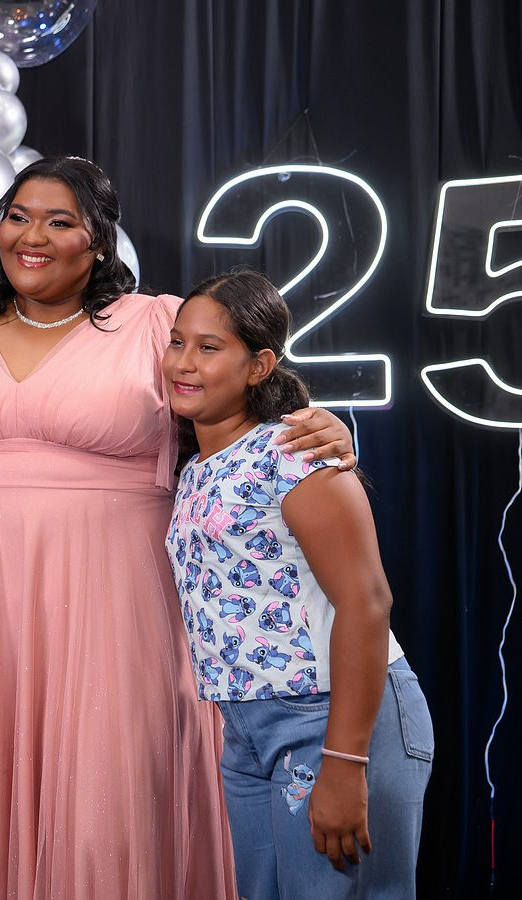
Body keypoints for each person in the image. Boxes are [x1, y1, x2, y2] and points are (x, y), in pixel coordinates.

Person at [0, 156, 357, 898]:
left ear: (100, 241)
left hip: (120, 613)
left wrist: (321, 424)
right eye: (17, 217)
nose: (32, 236)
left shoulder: (154, 324)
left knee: (108, 816)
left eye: (59, 221)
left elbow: (247, 416)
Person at [163, 269, 432, 899]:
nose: (184, 362)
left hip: (333, 715)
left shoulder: (295, 455)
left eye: (209, 347)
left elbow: (367, 602)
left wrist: (346, 760)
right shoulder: (194, 468)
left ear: (258, 366)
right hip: (246, 726)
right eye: (177, 342)